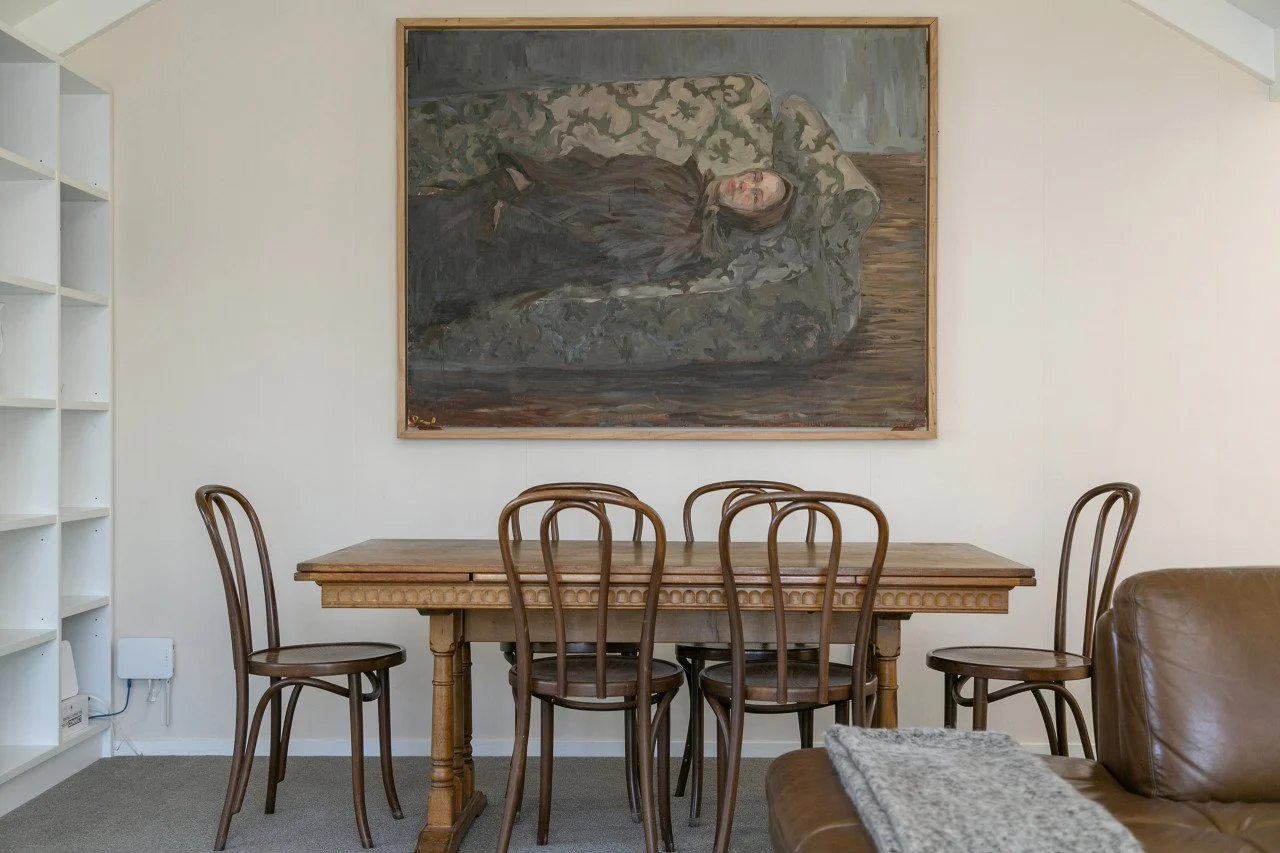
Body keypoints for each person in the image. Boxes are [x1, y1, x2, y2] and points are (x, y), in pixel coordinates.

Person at [405, 148, 795, 329]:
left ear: (751, 219)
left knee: (440, 250)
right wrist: (533, 177)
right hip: (539, 197)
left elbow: (604, 253)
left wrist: (520, 215)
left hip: (537, 241)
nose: (746, 184)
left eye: (755, 197)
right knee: (438, 213)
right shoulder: (685, 178)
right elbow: (598, 169)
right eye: (757, 177)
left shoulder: (692, 242)